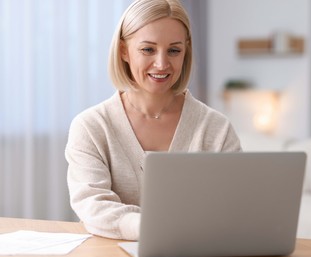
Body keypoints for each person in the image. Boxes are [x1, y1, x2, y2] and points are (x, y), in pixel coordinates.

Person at [65, 0, 242, 241]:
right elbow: (91, 204)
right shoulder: (91, 126)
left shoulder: (216, 128)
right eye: (148, 49)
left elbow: (235, 206)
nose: (161, 64)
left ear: (186, 51)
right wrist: (148, 227)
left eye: (174, 50)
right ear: (123, 51)